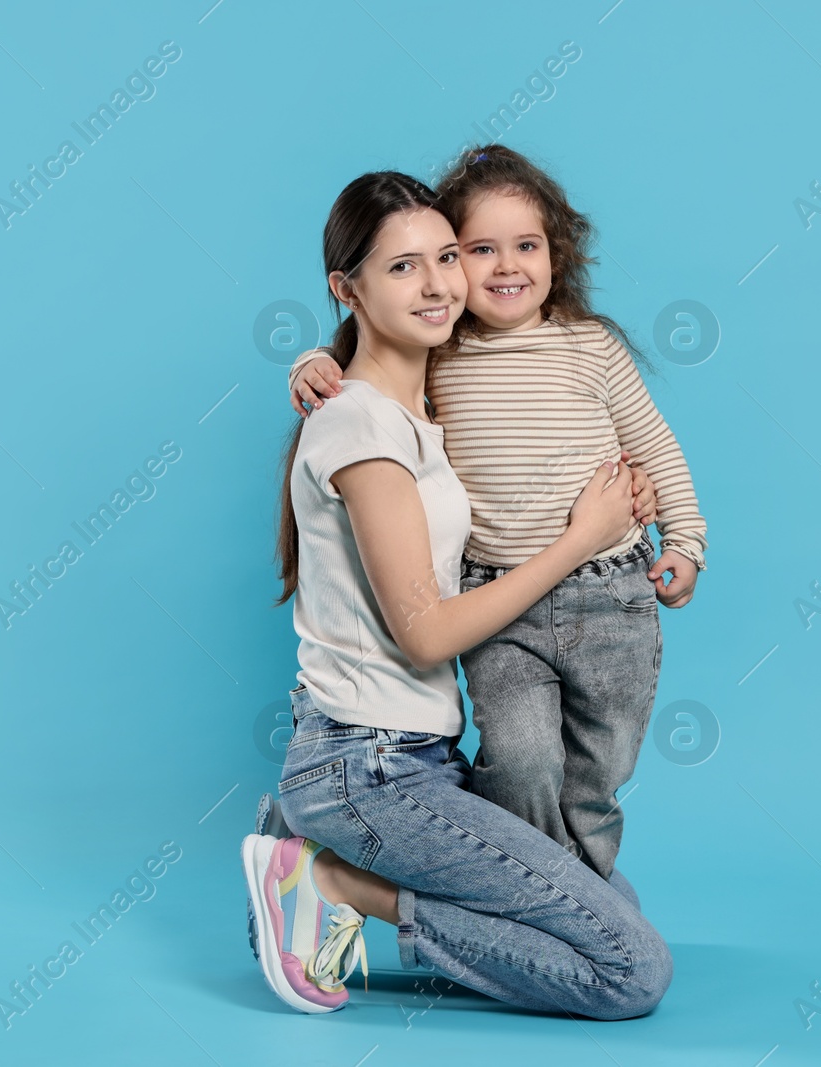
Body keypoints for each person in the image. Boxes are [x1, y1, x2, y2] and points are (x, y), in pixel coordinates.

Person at [243, 170, 672, 1019]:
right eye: (402, 267)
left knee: (610, 914)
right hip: (365, 766)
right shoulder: (363, 428)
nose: (439, 282)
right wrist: (580, 540)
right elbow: (428, 636)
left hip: (422, 758)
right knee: (629, 971)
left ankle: (322, 855)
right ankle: (330, 880)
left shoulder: (428, 403)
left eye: (446, 256)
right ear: (348, 287)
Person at [284, 144, 708, 883]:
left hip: (610, 593)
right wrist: (310, 363)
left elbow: (656, 445)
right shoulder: (444, 350)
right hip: (498, 600)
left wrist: (688, 539)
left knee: (598, 770)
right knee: (520, 758)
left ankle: (585, 890)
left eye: (527, 246)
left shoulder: (589, 347)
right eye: (480, 249)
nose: (506, 266)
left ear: (557, 254)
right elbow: (370, 352)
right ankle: (543, 893)